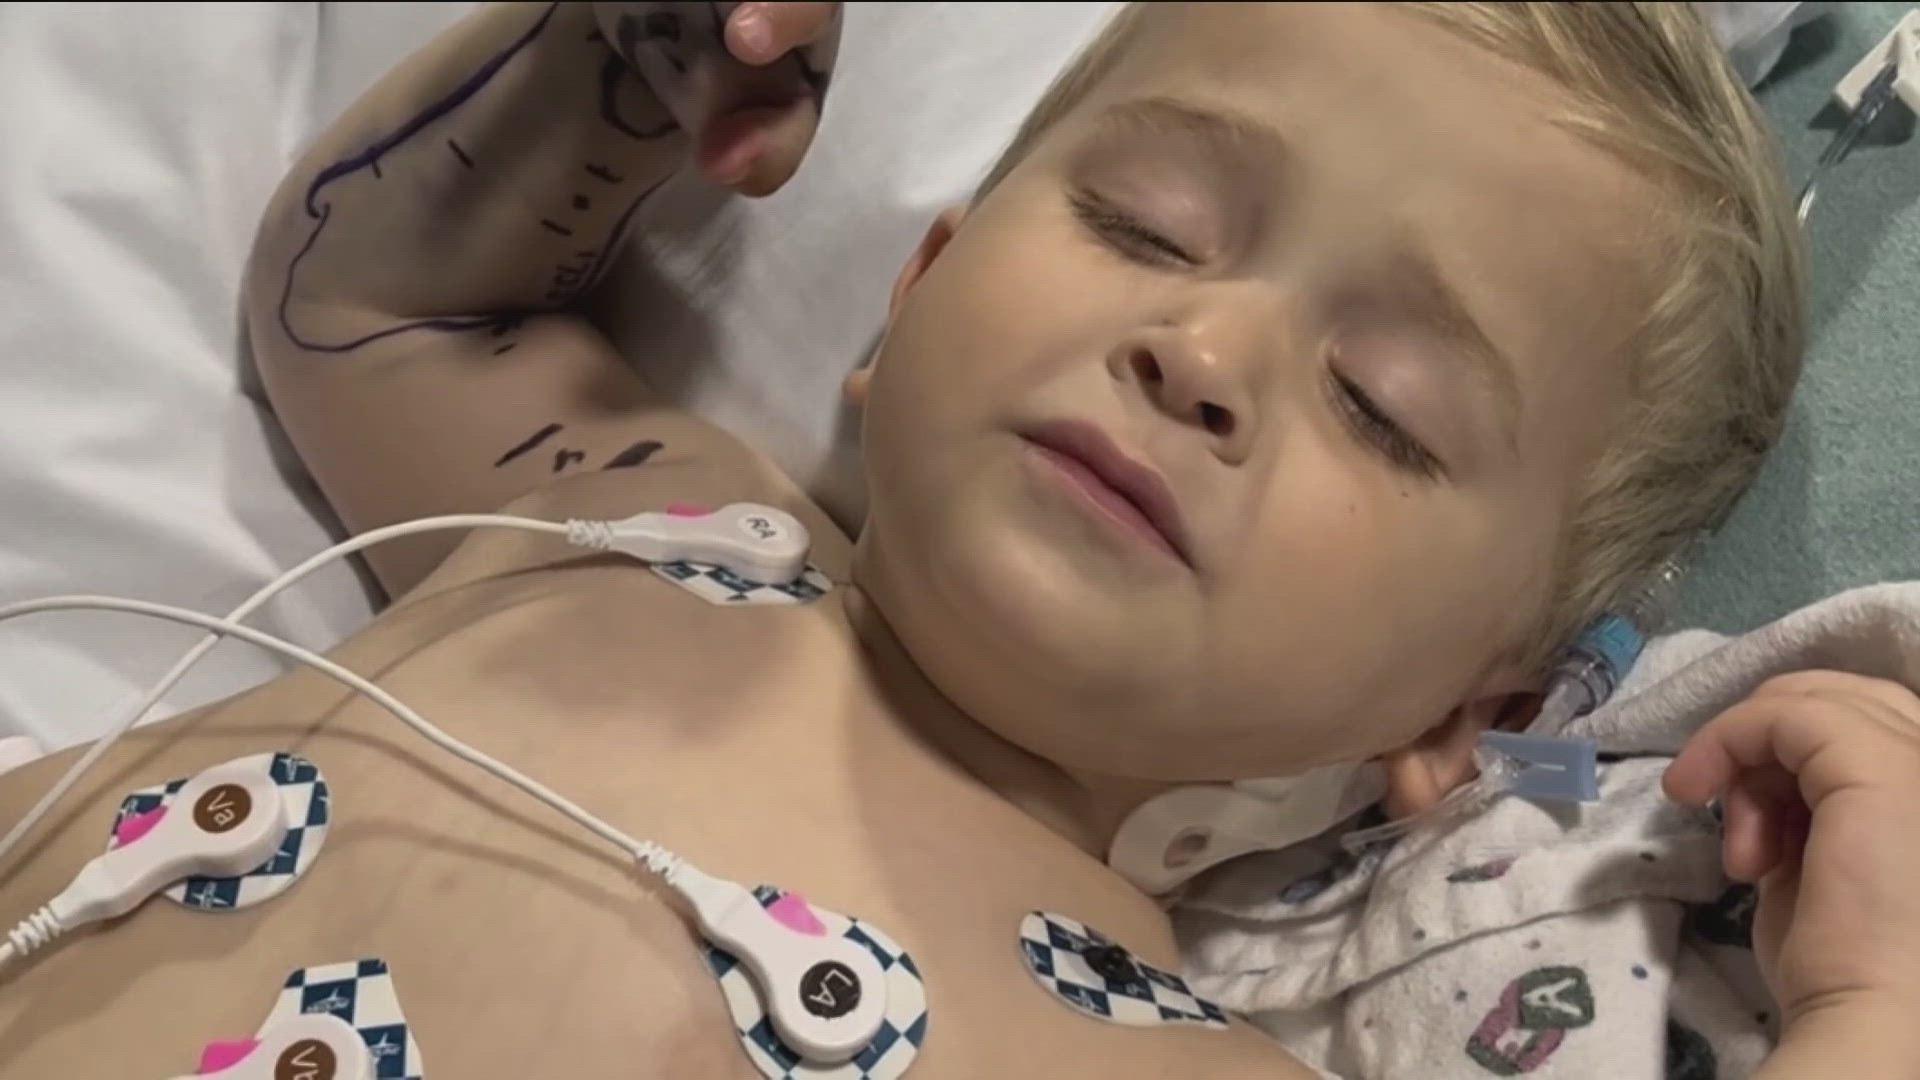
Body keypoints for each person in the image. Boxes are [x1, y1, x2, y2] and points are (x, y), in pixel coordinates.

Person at [3, 3, 1917, 1076]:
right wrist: (615, 60)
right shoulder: (641, 521)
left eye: (1385, 408)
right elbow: (382, 307)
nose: (1202, 350)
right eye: (1151, 226)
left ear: (1470, 706)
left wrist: (1868, 1013)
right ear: (912, 295)